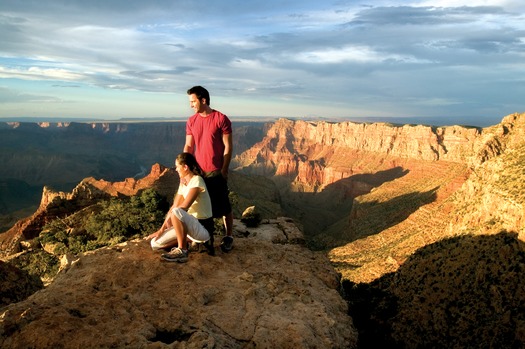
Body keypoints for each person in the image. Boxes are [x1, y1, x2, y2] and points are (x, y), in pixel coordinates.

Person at [184, 85, 234, 253]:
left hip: (216, 170)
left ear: (203, 100)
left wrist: (224, 169)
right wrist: (185, 169)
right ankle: (202, 238)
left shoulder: (221, 119)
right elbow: (189, 146)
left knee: (224, 207)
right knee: (200, 208)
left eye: (193, 101)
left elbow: (228, 147)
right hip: (198, 172)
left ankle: (228, 236)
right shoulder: (191, 121)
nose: (191, 105)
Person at [147, 152, 214, 262]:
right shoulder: (183, 183)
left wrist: (172, 218)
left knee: (177, 212)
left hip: (203, 228)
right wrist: (161, 230)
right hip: (190, 227)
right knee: (155, 243)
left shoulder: (197, 180)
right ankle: (190, 242)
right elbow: (174, 205)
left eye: (178, 167)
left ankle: (182, 251)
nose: (176, 169)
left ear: (185, 167)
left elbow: (183, 207)